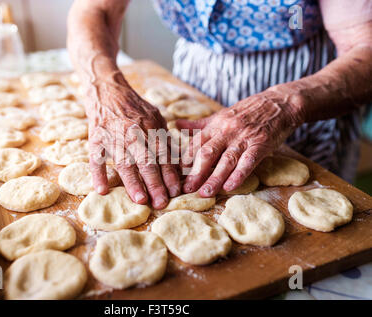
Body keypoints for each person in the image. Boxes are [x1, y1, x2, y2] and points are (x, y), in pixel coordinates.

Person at [67, 0, 372, 209]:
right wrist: (103, 88)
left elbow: (364, 46)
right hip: (196, 79)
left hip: (308, 91)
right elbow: (95, 10)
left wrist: (286, 105)